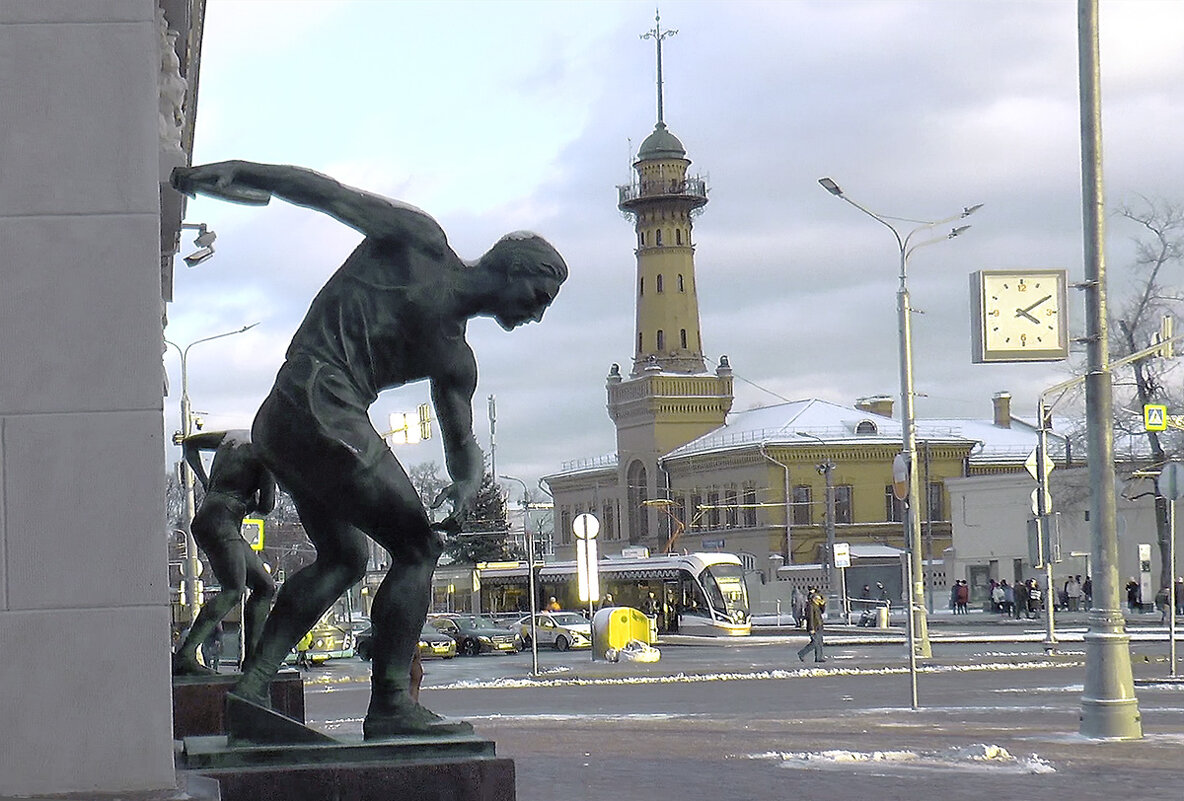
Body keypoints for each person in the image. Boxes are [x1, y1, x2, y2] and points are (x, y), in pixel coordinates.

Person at [172, 160, 567, 740]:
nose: (536, 311)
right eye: (539, 293)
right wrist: (241, 173)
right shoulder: (421, 243)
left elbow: (462, 443)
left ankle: (252, 685)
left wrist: (464, 484)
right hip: (319, 402)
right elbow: (330, 196)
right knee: (416, 547)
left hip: (283, 421)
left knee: (345, 559)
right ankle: (388, 705)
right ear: (511, 270)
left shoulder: (455, 358)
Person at [172, 430, 277, 676]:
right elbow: (266, 506)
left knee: (265, 586)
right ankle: (186, 654)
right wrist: (251, 498)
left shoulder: (232, 437)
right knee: (233, 590)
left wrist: (207, 481)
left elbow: (189, 445)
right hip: (222, 522)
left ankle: (252, 662)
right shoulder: (265, 453)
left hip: (214, 518)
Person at [796, 592, 827, 663]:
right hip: (814, 626)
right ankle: (802, 653)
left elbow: (822, 611)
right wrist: (811, 628)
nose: (818, 600)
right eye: (817, 599)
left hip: (819, 625)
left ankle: (818, 657)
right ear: (814, 599)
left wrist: (823, 604)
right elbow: (810, 618)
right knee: (815, 642)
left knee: (820, 643)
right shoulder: (810, 606)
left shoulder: (817, 606)